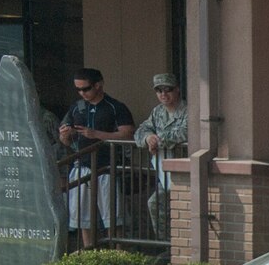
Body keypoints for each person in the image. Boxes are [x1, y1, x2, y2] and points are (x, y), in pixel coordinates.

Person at [59, 66, 135, 247]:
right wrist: (65, 134)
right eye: (78, 89)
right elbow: (65, 141)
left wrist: (97, 134)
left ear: (98, 85)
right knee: (82, 218)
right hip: (81, 166)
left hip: (106, 167)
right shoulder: (76, 108)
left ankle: (118, 254)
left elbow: (128, 133)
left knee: (113, 216)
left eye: (86, 89)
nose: (82, 93)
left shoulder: (115, 107)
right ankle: (88, 253)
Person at [133, 73, 190, 229]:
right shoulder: (158, 111)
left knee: (184, 210)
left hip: (186, 173)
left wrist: (158, 141)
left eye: (168, 89)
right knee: (154, 204)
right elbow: (141, 130)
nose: (163, 94)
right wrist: (148, 138)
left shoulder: (188, 110)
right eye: (159, 91)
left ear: (177, 89)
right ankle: (166, 245)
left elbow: (186, 132)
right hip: (165, 174)